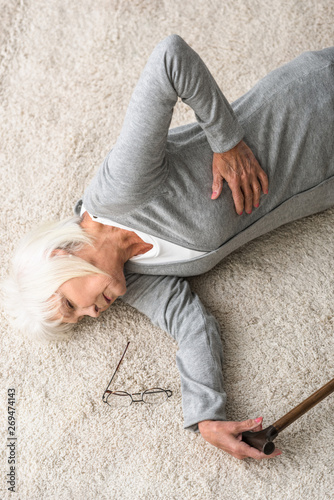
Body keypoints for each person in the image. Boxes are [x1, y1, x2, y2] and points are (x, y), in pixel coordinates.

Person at [2, 35, 334, 461]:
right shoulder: (132, 280)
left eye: (71, 305)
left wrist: (226, 142)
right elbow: (190, 325)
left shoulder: (119, 191)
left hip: (314, 107)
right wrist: (206, 416)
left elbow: (169, 59)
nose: (91, 315)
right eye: (80, 322)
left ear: (61, 259)